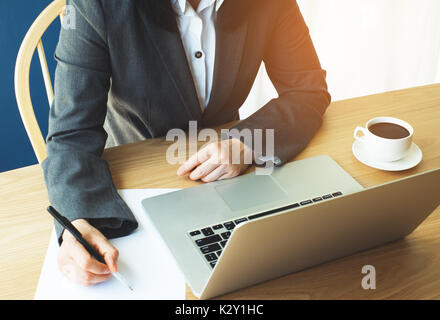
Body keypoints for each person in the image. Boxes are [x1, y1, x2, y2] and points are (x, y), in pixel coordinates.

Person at [43, 0, 331, 286]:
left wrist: (246, 141)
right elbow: (71, 133)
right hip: (136, 180)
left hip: (231, 178)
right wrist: (76, 221)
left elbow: (307, 90)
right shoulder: (94, 4)